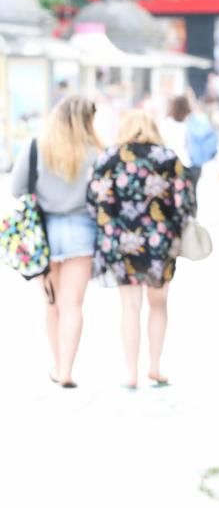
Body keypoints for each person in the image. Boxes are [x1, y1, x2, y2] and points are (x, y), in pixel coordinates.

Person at [87, 110, 196, 389]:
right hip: (160, 242)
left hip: (122, 242)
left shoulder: (109, 158)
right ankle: (155, 367)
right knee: (158, 304)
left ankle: (131, 373)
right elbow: (186, 203)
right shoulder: (168, 158)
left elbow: (94, 201)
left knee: (130, 307)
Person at [11, 95, 101, 388]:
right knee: (73, 304)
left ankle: (57, 363)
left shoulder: (37, 146)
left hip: (43, 232)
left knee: (52, 304)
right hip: (82, 230)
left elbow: (18, 189)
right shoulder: (94, 152)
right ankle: (67, 371)